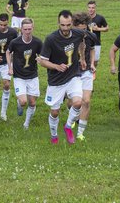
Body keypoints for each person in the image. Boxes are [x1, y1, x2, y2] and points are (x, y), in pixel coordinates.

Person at [38, 10, 86, 145]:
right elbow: (42, 61)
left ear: (72, 24)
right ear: (58, 23)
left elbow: (82, 43)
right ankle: (54, 136)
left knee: (77, 102)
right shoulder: (51, 39)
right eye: (63, 25)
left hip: (73, 75)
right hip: (56, 80)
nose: (65, 28)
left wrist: (82, 58)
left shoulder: (78, 33)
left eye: (68, 25)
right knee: (55, 112)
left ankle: (68, 126)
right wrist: (56, 66)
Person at [7, 18, 42, 129]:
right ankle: (19, 104)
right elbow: (8, 52)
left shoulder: (37, 42)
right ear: (21, 29)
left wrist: (40, 59)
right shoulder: (15, 42)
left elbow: (43, 55)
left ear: (33, 28)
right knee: (23, 101)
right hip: (19, 76)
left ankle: (26, 124)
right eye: (25, 29)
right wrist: (10, 67)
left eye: (29, 29)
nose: (27, 32)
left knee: (32, 103)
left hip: (32, 75)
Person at [72, 12, 98, 141]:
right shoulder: (67, 37)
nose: (82, 32)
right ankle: (73, 117)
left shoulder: (91, 36)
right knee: (72, 102)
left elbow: (92, 49)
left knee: (86, 101)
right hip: (72, 72)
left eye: (84, 29)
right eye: (79, 29)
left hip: (86, 70)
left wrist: (92, 63)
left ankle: (80, 132)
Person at [0, 13, 18, 120]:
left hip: (7, 62)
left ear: (8, 23)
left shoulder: (13, 32)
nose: (3, 27)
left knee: (6, 84)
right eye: (1, 24)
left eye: (5, 25)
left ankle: (3, 113)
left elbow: (16, 47)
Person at [87, 0, 109, 67]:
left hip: (96, 43)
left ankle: (93, 73)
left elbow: (107, 28)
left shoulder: (100, 18)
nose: (91, 9)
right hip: (86, 43)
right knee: (87, 60)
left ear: (95, 8)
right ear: (87, 8)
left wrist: (98, 29)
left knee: (95, 61)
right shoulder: (84, 18)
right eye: (89, 7)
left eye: (93, 7)